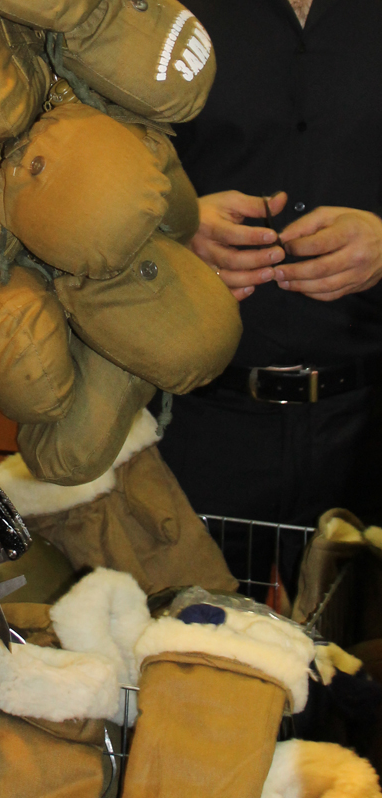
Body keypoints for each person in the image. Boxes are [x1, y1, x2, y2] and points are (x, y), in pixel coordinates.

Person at [156, 0, 382, 543]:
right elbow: (93, 164)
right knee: (189, 601)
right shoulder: (163, 11)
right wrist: (174, 224)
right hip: (199, 417)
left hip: (370, 424)